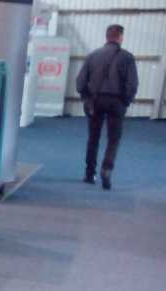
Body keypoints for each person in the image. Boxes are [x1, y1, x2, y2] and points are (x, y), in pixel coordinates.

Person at [76, 24, 138, 190]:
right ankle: (107, 169)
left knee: (93, 137)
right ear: (120, 38)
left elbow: (80, 82)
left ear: (106, 37)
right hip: (116, 102)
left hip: (95, 100)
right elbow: (132, 84)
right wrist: (125, 101)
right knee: (113, 138)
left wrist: (86, 98)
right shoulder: (127, 58)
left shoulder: (92, 56)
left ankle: (89, 174)